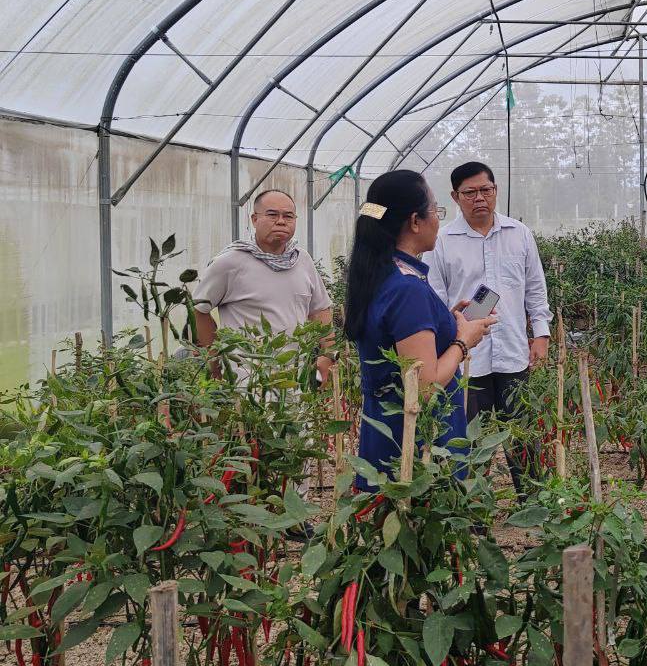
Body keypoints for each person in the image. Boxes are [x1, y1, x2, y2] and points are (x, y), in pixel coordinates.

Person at [343, 170, 496, 490]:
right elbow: (425, 387)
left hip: (387, 427)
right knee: (419, 511)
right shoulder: (407, 288)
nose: (438, 220)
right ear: (415, 221)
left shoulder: (382, 273)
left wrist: (444, 324)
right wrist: (463, 342)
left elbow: (401, 339)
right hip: (417, 442)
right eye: (436, 210)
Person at [424, 161, 552, 493]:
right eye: (470, 192)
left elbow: (535, 288)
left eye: (486, 190)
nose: (479, 198)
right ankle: (472, 505)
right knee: (470, 440)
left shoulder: (519, 234)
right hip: (467, 359)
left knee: (521, 435)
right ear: (455, 197)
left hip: (513, 353)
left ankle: (531, 502)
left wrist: (540, 334)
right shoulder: (442, 241)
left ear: (496, 191)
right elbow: (435, 297)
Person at [193, 189, 334, 380]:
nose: (281, 221)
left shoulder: (302, 260)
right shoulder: (230, 262)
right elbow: (199, 310)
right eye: (272, 215)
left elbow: (320, 309)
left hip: (296, 380)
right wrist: (216, 365)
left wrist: (328, 355)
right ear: (254, 219)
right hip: (245, 382)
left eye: (288, 216)